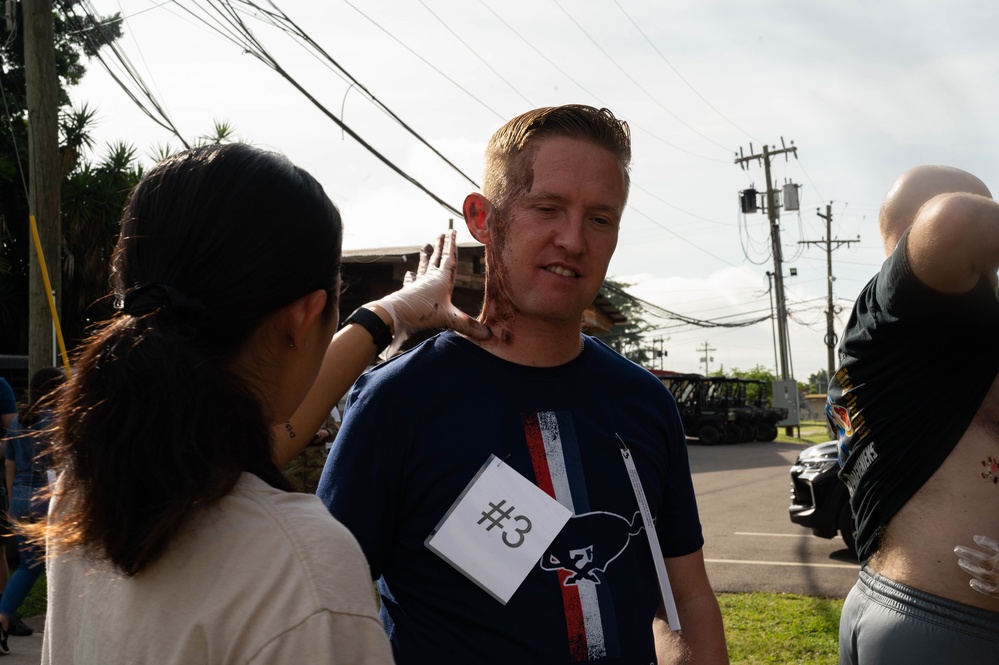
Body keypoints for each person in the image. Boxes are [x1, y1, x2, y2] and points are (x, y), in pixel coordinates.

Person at [39, 142, 485, 664]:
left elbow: (239, 444)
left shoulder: (90, 485)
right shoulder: (299, 565)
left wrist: (384, 316)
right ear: (304, 317)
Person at [318, 105, 728, 664]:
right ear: (481, 218)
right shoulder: (399, 400)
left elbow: (685, 597)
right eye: (547, 208)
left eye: (600, 218)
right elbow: (325, 614)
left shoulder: (645, 403)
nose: (574, 240)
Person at [827, 165, 999, 664]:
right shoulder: (901, 301)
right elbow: (959, 219)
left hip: (901, 610)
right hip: (947, 627)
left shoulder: (914, 342)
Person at [0, 366, 65, 647]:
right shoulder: (60, 420)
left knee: (28, 566)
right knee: (62, 566)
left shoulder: (19, 421)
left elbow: (9, 464)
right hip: (50, 502)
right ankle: (63, 626)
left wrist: (16, 499)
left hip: (20, 500)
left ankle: (2, 619)